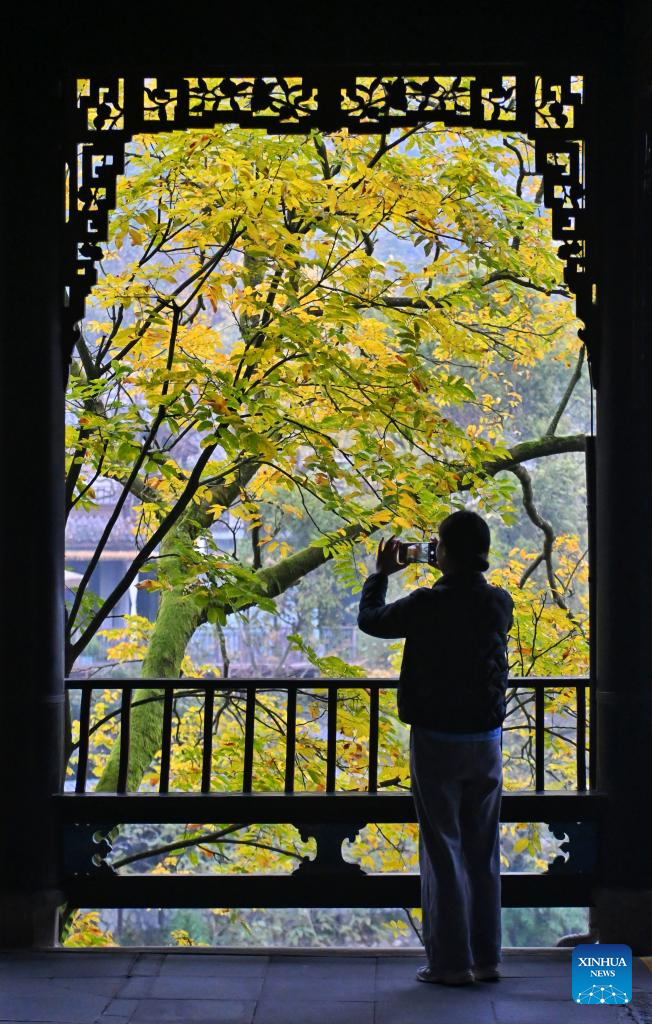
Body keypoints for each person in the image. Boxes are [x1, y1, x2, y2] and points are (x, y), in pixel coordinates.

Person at [357, 510, 514, 987]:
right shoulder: (499, 604)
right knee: (482, 852)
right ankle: (486, 959)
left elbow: (371, 621)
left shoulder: (424, 605)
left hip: (437, 740)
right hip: (486, 741)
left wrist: (380, 576)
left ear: (443, 552)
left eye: (437, 544)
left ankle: (450, 964)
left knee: (442, 850)